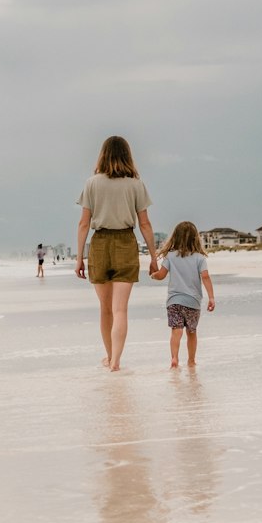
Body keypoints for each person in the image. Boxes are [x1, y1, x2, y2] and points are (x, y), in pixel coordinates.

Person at [75, 135, 158, 371]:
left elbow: (83, 223)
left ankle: (109, 355)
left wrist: (79, 257)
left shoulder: (92, 183)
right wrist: (153, 257)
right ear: (127, 155)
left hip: (99, 243)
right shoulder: (136, 184)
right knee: (120, 309)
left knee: (105, 308)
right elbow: (145, 225)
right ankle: (116, 361)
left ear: (103, 154)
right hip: (125, 242)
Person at [151, 220, 215, 368]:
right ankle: (191, 361)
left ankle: (174, 358)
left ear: (175, 237)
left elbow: (161, 275)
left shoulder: (170, 257)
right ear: (195, 238)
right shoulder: (200, 258)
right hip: (192, 302)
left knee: (176, 330)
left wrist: (153, 275)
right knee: (191, 332)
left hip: (174, 301)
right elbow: (205, 277)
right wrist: (211, 297)